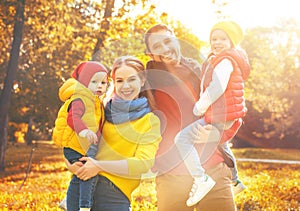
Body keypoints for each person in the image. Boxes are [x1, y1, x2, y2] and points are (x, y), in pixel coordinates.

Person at [144, 23, 248, 211]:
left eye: (168, 41)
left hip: (213, 166)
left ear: (176, 40)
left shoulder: (201, 70)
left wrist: (218, 134)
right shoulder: (147, 80)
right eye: (157, 46)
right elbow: (119, 105)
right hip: (171, 174)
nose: (165, 49)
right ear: (150, 53)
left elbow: (232, 107)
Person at [65, 55, 162, 211]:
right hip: (80, 187)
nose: (125, 86)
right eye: (119, 80)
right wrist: (71, 164)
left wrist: (99, 166)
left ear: (142, 80)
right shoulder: (101, 110)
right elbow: (72, 139)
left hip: (114, 195)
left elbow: (143, 164)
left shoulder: (150, 121)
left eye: (132, 79)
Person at [173, 20, 250, 206]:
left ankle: (201, 179)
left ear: (232, 41)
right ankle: (235, 180)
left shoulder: (225, 61)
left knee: (181, 139)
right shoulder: (224, 58)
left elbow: (217, 86)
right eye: (214, 38)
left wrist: (200, 106)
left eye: (223, 38)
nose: (217, 42)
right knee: (222, 144)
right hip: (227, 114)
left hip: (221, 114)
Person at [52, 61, 109, 211]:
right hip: (74, 145)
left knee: (81, 174)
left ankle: (68, 200)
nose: (99, 86)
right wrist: (84, 131)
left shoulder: (95, 100)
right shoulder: (80, 98)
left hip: (82, 145)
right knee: (89, 173)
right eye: (94, 81)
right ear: (83, 82)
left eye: (103, 82)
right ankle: (84, 206)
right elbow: (73, 117)